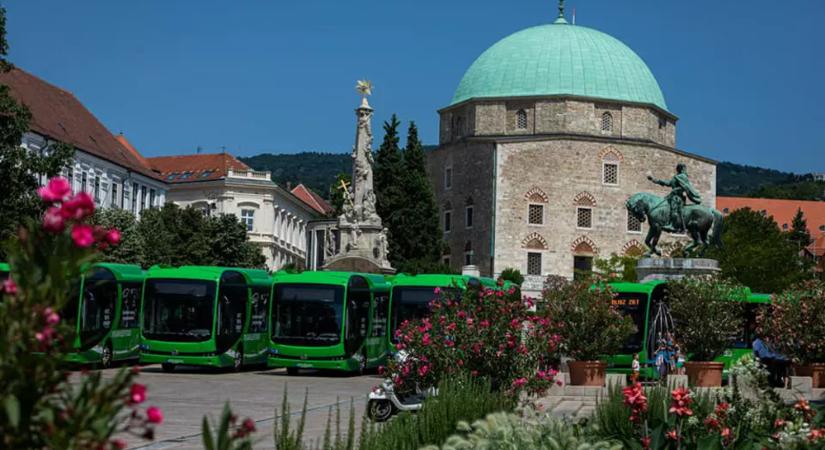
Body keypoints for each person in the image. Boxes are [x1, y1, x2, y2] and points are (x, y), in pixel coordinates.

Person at [647, 163, 702, 234]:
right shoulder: (676, 177)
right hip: (672, 196)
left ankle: (673, 225)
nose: (684, 170)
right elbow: (668, 183)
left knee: (673, 208)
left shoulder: (683, 176)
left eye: (684, 168)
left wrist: (677, 189)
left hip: (678, 198)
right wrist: (654, 180)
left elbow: (686, 187)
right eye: (683, 168)